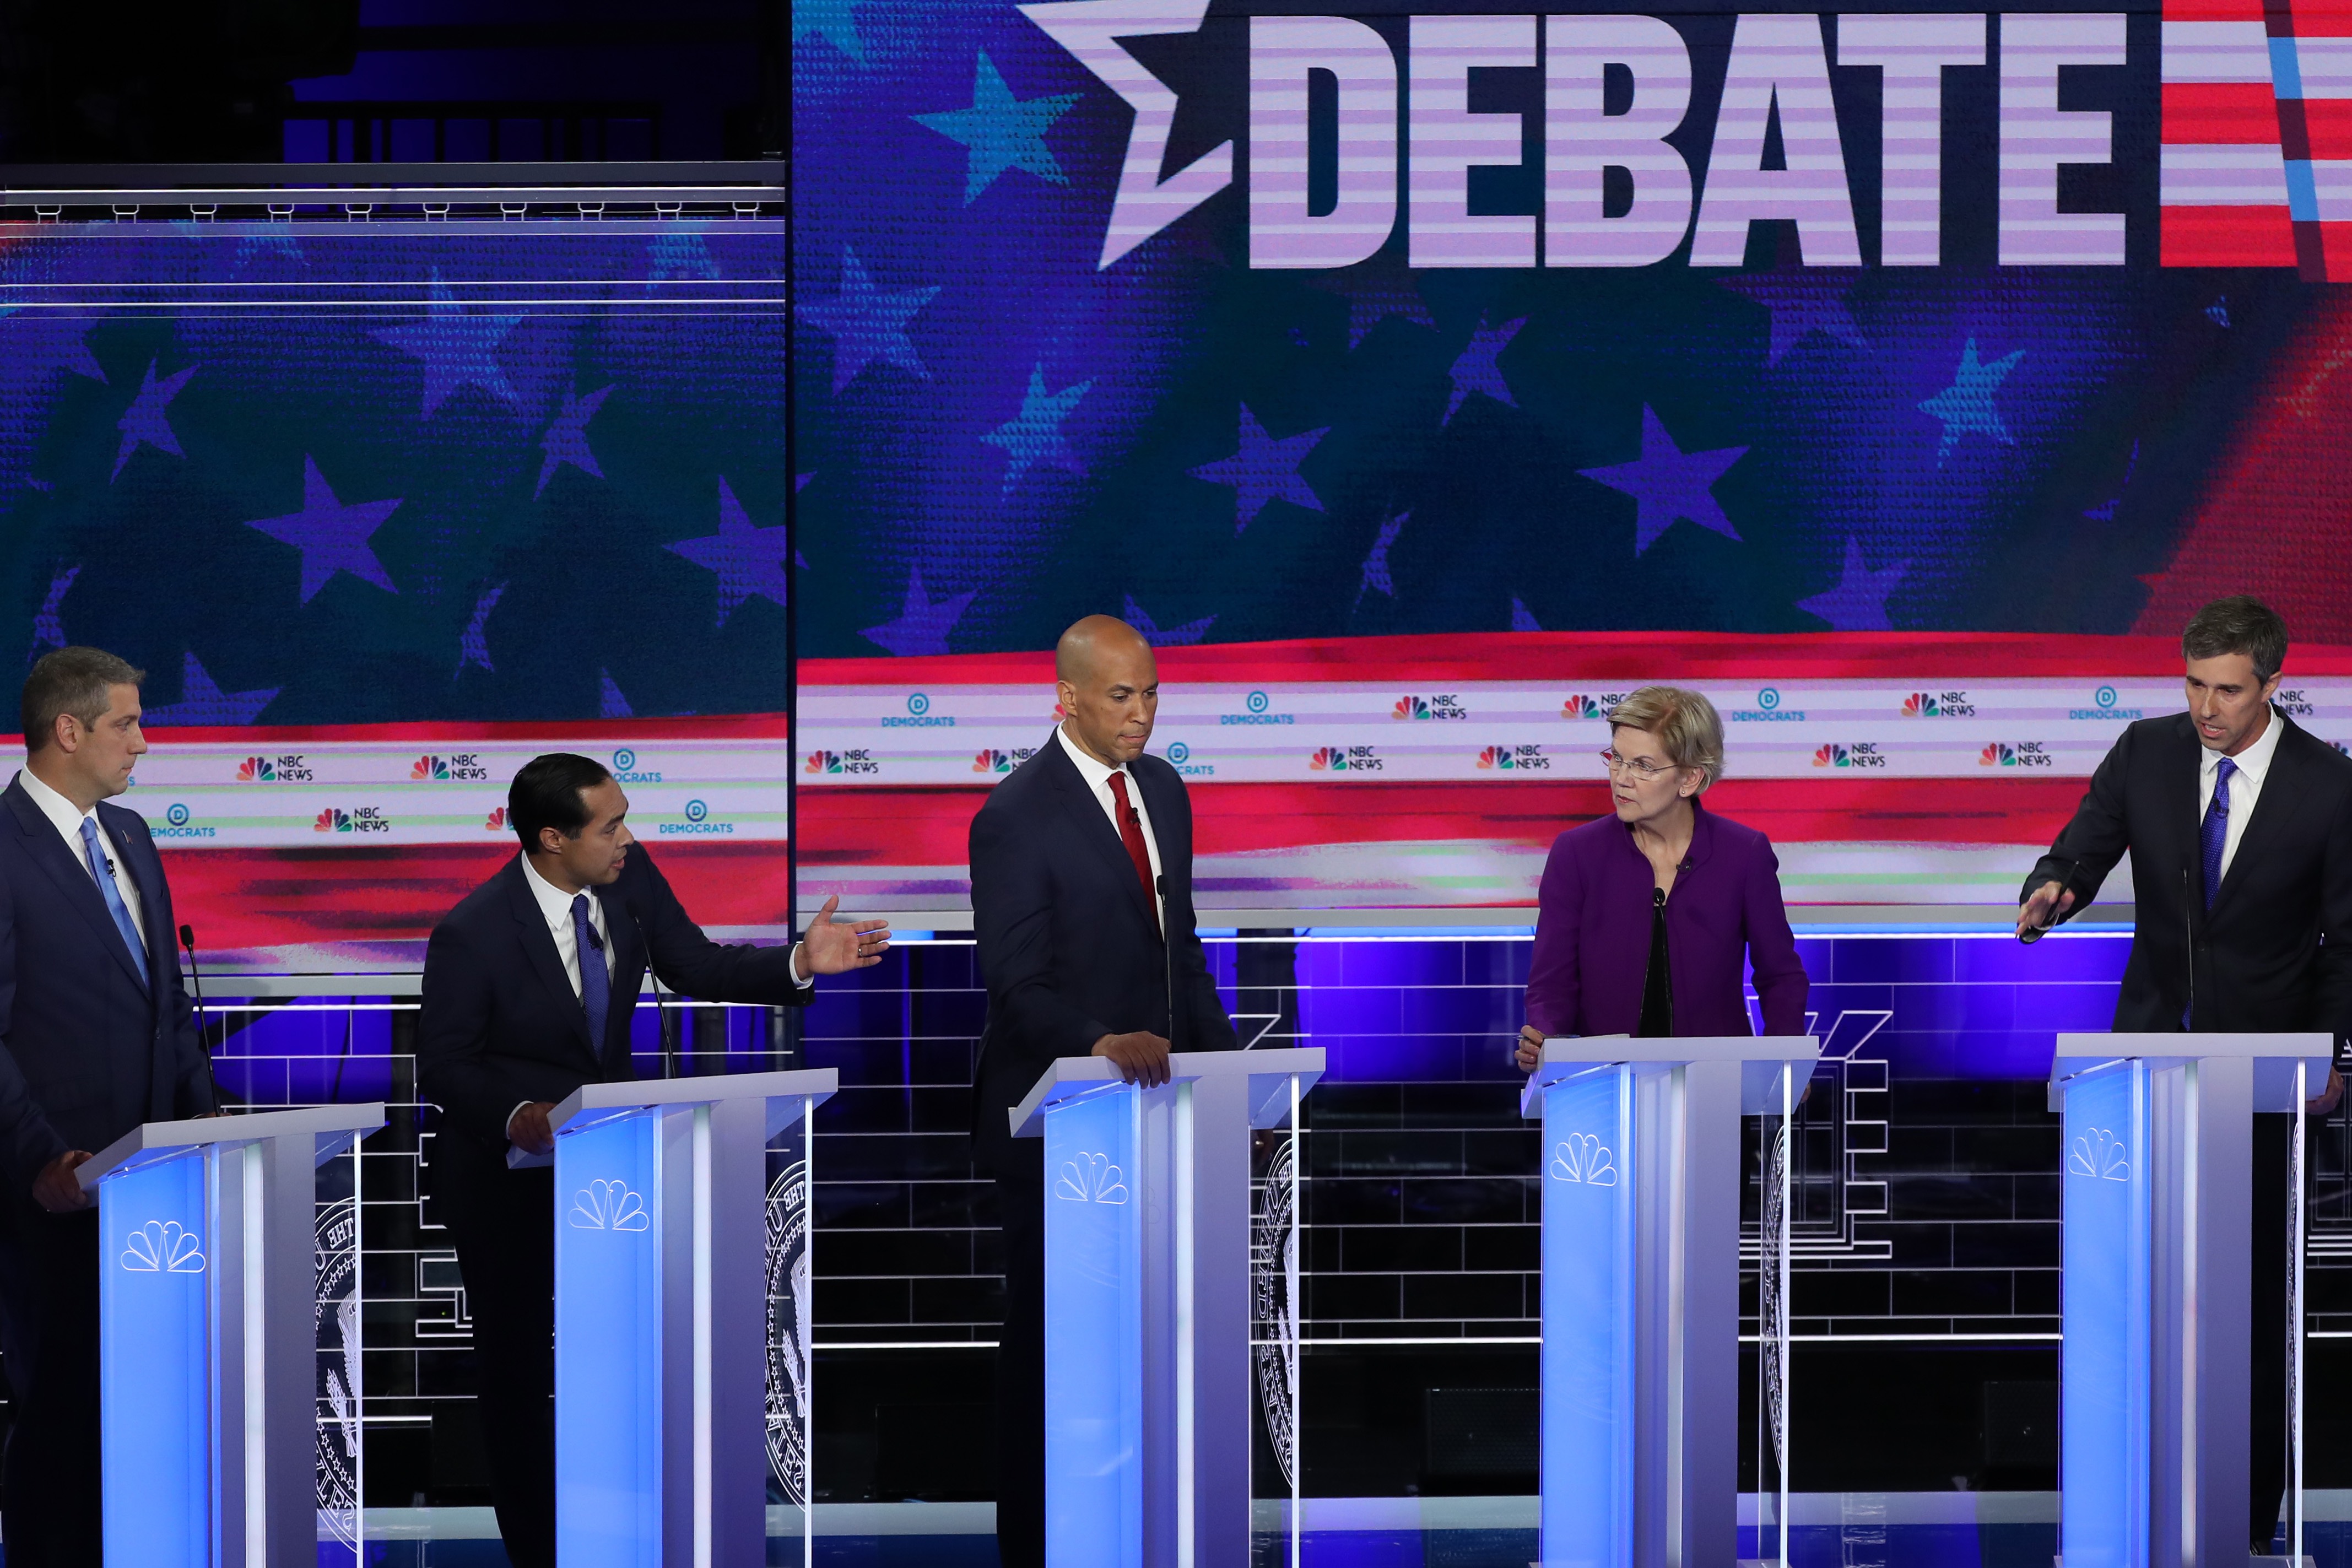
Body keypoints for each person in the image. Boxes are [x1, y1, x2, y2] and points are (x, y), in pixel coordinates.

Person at [417, 752, 888, 1568]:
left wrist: (800, 962)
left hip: (610, 1174)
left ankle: (625, 1532)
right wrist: (517, 1114)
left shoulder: (628, 884)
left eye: (625, 817)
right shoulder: (472, 930)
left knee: (620, 1361)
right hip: (504, 1183)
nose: (628, 837)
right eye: (610, 826)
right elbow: (447, 1063)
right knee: (519, 1372)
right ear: (551, 839)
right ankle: (537, 1546)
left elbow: (695, 963)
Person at [2016, 594, 2351, 1553]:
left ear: (2271, 685)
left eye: (2226, 691)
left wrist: (2333, 1057)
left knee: (2249, 1301)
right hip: (2143, 1069)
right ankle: (2131, 1502)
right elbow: (2079, 847)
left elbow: (2344, 944)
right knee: (2135, 1291)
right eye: (2193, 686)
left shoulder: (2326, 788)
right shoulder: (2145, 752)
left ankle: (2245, 1519)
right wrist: (2053, 888)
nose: (2206, 709)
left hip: (2264, 1076)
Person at [967, 615, 1237, 1568]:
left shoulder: (1162, 791)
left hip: (1159, 1122)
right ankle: (1035, 1550)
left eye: (1152, 693)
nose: (1142, 713)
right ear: (1067, 697)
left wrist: (1223, 1074)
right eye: (1121, 696)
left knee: (1148, 1348)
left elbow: (1182, 950)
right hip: (1058, 1129)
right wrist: (1098, 1043)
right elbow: (1015, 983)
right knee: (1048, 1354)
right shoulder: (1012, 815)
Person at [0, 647, 216, 1565]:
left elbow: (164, 1004)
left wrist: (212, 1133)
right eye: (127, 723)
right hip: (54, 1193)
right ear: (68, 730)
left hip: (153, 1191)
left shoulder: (129, 835)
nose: (142, 742)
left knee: (142, 1411)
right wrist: (41, 1156)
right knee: (60, 1412)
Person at [1515, 684, 1807, 1069]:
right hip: (1601, 1084)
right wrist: (1546, 1037)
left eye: (1643, 766)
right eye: (1616, 759)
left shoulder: (1743, 855)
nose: (1621, 778)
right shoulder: (1576, 854)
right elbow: (1552, 981)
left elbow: (1780, 975)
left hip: (1714, 1082)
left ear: (1689, 779)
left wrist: (1784, 1062)